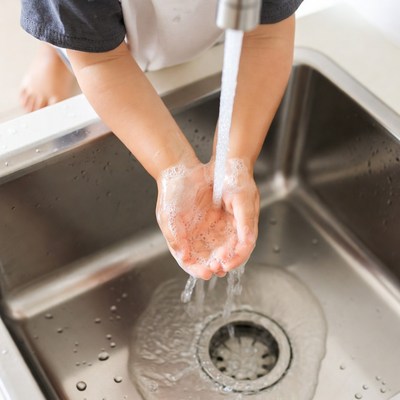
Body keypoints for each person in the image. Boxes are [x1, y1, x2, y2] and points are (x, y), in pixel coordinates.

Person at [19, 0, 302, 280]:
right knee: (75, 31)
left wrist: (235, 160)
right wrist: (172, 167)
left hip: (207, 25)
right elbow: (99, 61)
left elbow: (266, 34)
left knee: (210, 33)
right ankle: (52, 48)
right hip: (88, 32)